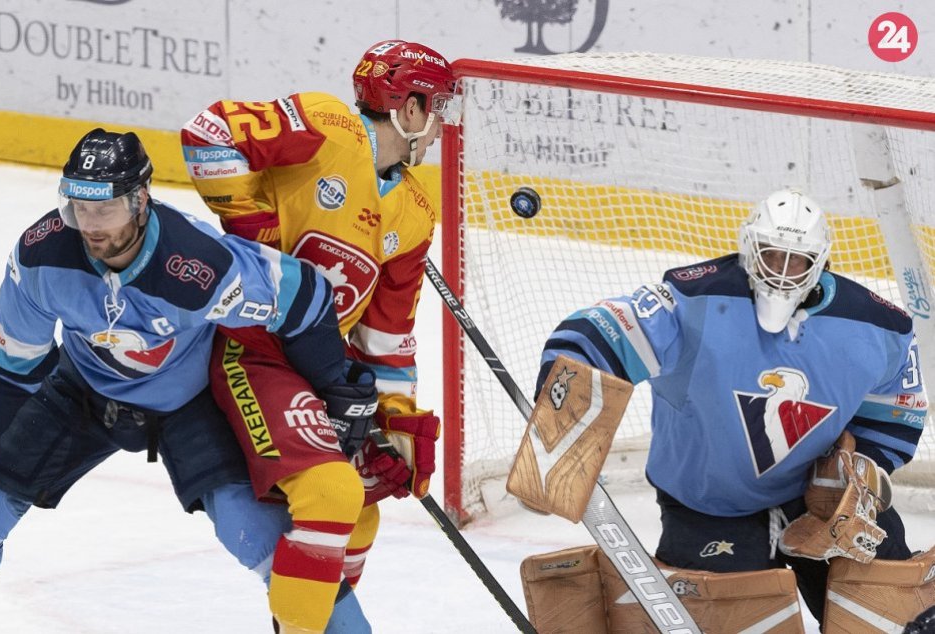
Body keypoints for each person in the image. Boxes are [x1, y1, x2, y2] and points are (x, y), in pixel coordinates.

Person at [0, 129, 378, 631]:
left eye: (103, 210)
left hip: (189, 405)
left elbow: (302, 295)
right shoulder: (43, 257)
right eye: (78, 210)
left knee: (257, 537)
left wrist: (333, 382)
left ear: (139, 199)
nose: (89, 226)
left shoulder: (197, 264)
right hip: (81, 392)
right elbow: (10, 367)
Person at [526, 189, 932, 630]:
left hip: (818, 505)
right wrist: (562, 427)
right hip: (707, 505)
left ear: (821, 262)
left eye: (796, 261)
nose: (781, 272)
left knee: (891, 605)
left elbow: (896, 409)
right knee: (721, 619)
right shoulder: (693, 300)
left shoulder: (878, 326)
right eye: (770, 255)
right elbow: (593, 334)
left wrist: (860, 473)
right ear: (748, 248)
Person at [180, 39, 457, 631]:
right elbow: (207, 133)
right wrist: (255, 237)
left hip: (324, 369)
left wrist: (396, 421)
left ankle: (302, 623)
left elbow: (387, 334)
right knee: (332, 494)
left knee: (361, 517)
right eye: (434, 109)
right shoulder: (330, 127)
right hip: (252, 348)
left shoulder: (414, 210)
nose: (438, 129)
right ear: (408, 109)